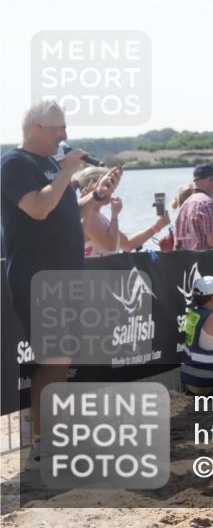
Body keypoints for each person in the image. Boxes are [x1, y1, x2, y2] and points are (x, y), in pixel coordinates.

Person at [0, 102, 119, 467]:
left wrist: (95, 197)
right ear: (37, 126)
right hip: (39, 278)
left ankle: (52, 441)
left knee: (59, 362)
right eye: (59, 129)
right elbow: (38, 208)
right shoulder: (14, 164)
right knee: (51, 363)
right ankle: (44, 446)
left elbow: (67, 213)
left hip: (63, 276)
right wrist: (67, 172)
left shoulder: (52, 166)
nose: (65, 136)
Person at [74, 166, 170, 256]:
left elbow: (128, 244)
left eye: (113, 184)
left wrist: (157, 226)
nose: (111, 190)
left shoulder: (98, 215)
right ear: (93, 186)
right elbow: (110, 246)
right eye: (108, 184)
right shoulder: (89, 215)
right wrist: (114, 215)